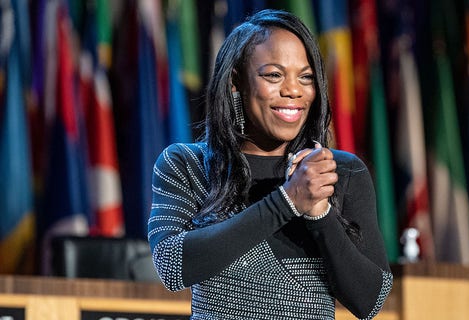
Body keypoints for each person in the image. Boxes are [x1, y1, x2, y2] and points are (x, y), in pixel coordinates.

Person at [148, 9, 393, 320]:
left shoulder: (339, 172)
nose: (293, 90)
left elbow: (371, 301)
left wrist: (320, 214)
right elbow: (172, 267)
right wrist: (287, 201)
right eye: (274, 75)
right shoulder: (188, 165)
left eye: (305, 77)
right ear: (236, 82)